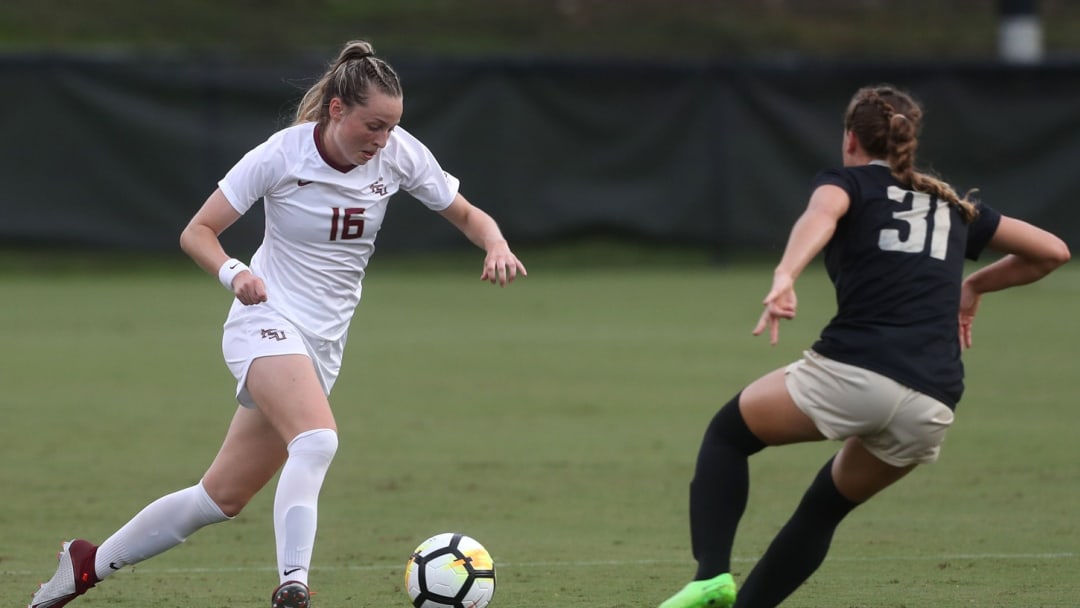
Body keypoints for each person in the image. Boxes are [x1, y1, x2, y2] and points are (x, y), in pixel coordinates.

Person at [27, 39, 526, 608]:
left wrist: (496, 242)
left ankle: (88, 565)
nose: (382, 140)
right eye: (373, 126)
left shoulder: (399, 154)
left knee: (219, 498)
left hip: (322, 345)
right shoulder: (282, 155)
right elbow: (198, 232)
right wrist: (234, 273)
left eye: (391, 128)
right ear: (337, 110)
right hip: (263, 321)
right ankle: (293, 585)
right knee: (316, 440)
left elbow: (465, 213)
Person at [657, 84, 1069, 608]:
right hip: (932, 401)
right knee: (823, 509)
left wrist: (786, 273)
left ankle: (711, 574)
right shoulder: (948, 203)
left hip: (855, 373)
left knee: (727, 435)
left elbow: (821, 215)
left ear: (850, 137)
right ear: (908, 140)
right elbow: (1052, 251)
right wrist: (975, 285)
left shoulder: (845, 182)